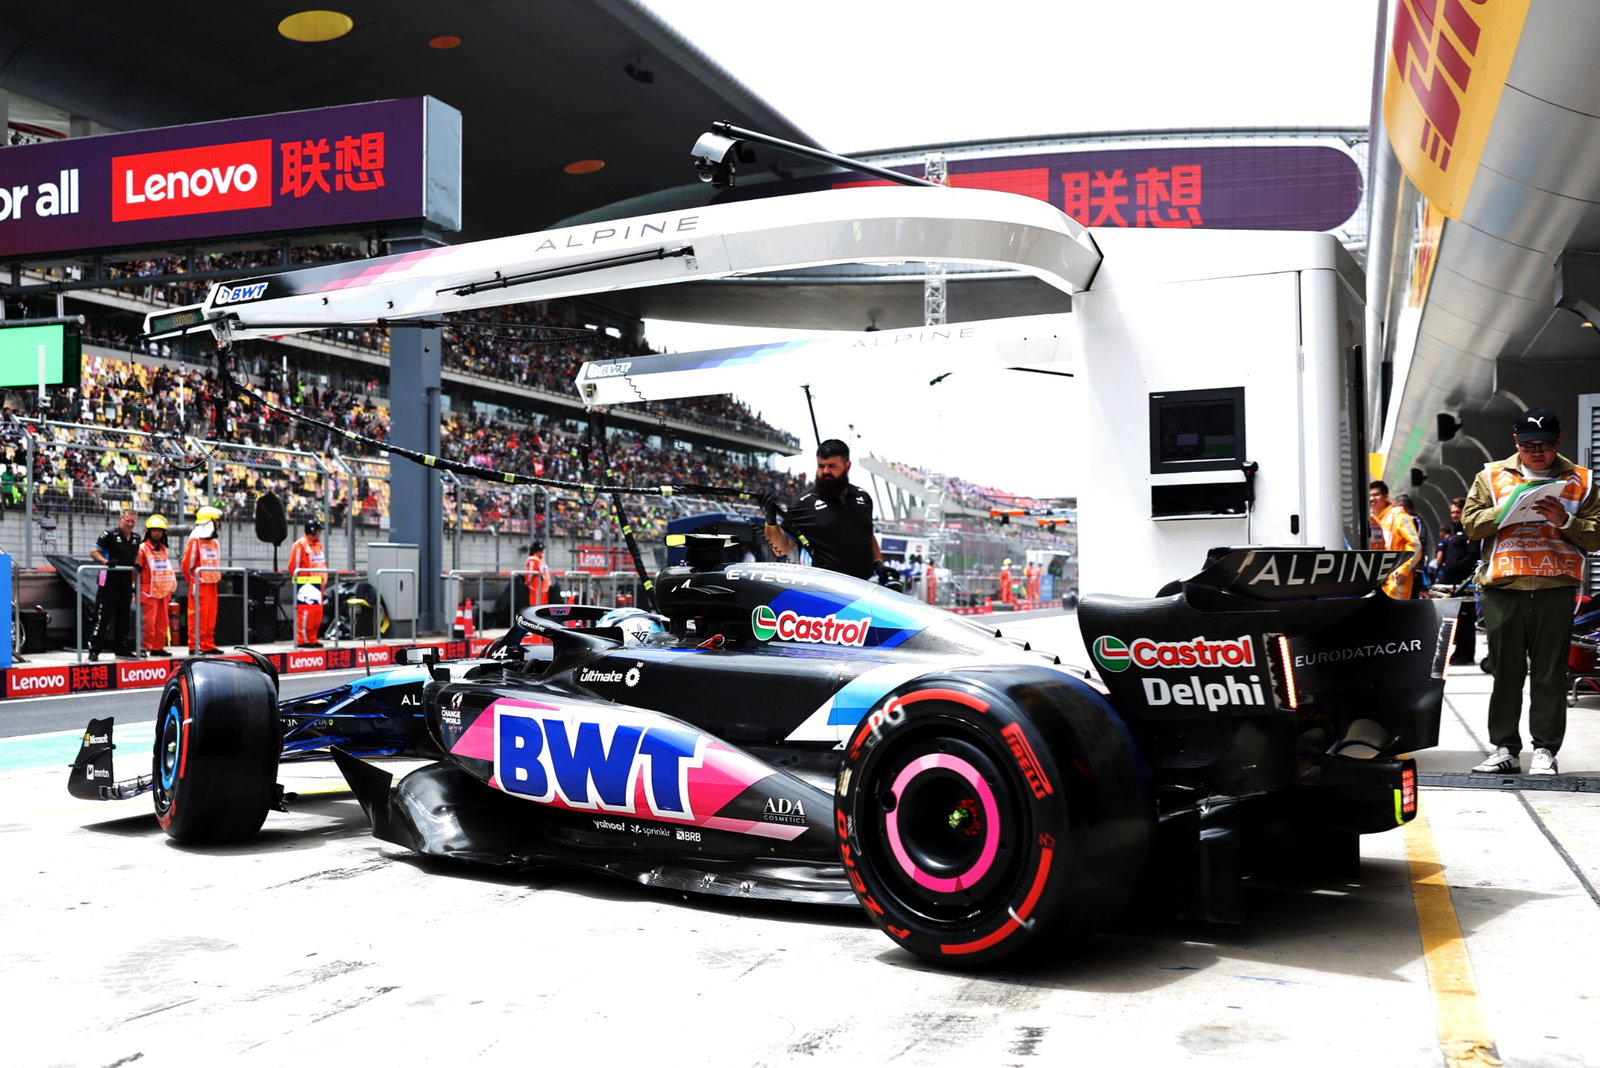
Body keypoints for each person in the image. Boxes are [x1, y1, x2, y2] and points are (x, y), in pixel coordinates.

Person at [1462, 408, 1600, 776]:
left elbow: (1597, 534)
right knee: (1506, 672)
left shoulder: (1581, 480)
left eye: (1543, 445)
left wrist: (1564, 520)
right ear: (1515, 442)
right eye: (1527, 445)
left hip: (1556, 585)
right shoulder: (1491, 476)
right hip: (1503, 586)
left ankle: (1545, 750)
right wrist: (1506, 510)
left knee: (1549, 673)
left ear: (1558, 442)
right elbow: (1471, 525)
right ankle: (1505, 747)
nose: (1535, 453)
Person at [760, 439, 884, 581]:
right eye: (821, 466)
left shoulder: (864, 497)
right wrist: (770, 522)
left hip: (862, 588)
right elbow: (781, 549)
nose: (826, 471)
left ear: (847, 466)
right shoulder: (803, 503)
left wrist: (878, 563)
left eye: (832, 466)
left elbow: (868, 535)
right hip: (821, 590)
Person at [1436, 496, 1482, 665]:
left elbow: (1473, 553)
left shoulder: (1470, 531)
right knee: (1459, 619)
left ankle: (1465, 654)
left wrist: (1457, 566)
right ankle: (1460, 652)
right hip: (1454, 583)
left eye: (1458, 512)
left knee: (1465, 620)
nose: (1454, 515)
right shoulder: (1458, 531)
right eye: (1452, 512)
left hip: (1463, 583)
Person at [88, 509, 139, 660]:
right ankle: (94, 650)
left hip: (125, 582)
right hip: (108, 582)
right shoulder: (109, 534)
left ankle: (121, 649)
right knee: (102, 617)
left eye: (132, 521)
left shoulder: (136, 538)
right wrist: (106, 562)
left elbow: (136, 554)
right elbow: (94, 551)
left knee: (124, 617)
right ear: (120, 519)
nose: (130, 524)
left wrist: (136, 564)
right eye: (127, 521)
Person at [182, 505, 224, 655]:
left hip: (212, 583)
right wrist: (192, 579)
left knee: (210, 615)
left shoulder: (215, 543)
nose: (218, 524)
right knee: (197, 615)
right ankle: (195, 645)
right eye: (216, 521)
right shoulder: (195, 541)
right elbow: (187, 564)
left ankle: (208, 644)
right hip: (199, 583)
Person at [1369, 480, 1420, 599]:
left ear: (1386, 497)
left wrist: (1404, 570)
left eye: (1376, 495)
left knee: (1394, 616)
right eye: (1369, 495)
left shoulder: (1399, 516)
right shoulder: (1373, 520)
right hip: (1377, 583)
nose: (1372, 499)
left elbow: (1415, 545)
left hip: (1395, 582)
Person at [135, 514, 177, 657]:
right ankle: (143, 648)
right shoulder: (142, 549)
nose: (157, 533)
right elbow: (135, 572)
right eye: (154, 530)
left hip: (162, 592)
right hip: (148, 592)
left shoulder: (162, 549)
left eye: (160, 530)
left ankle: (157, 648)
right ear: (148, 531)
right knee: (147, 624)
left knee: (162, 623)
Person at [287, 518, 327, 648]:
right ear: (312, 530)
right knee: (305, 616)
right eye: (318, 530)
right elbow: (293, 566)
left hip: (318, 584)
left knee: (316, 615)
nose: (320, 533)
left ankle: (312, 639)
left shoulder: (318, 545)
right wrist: (300, 583)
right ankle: (302, 640)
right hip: (306, 584)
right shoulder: (299, 545)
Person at [524, 539, 551, 608]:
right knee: (535, 606)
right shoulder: (532, 559)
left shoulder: (540, 559)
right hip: (536, 587)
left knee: (542, 606)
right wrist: (527, 582)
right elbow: (529, 574)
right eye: (540, 549)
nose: (542, 551)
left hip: (543, 588)